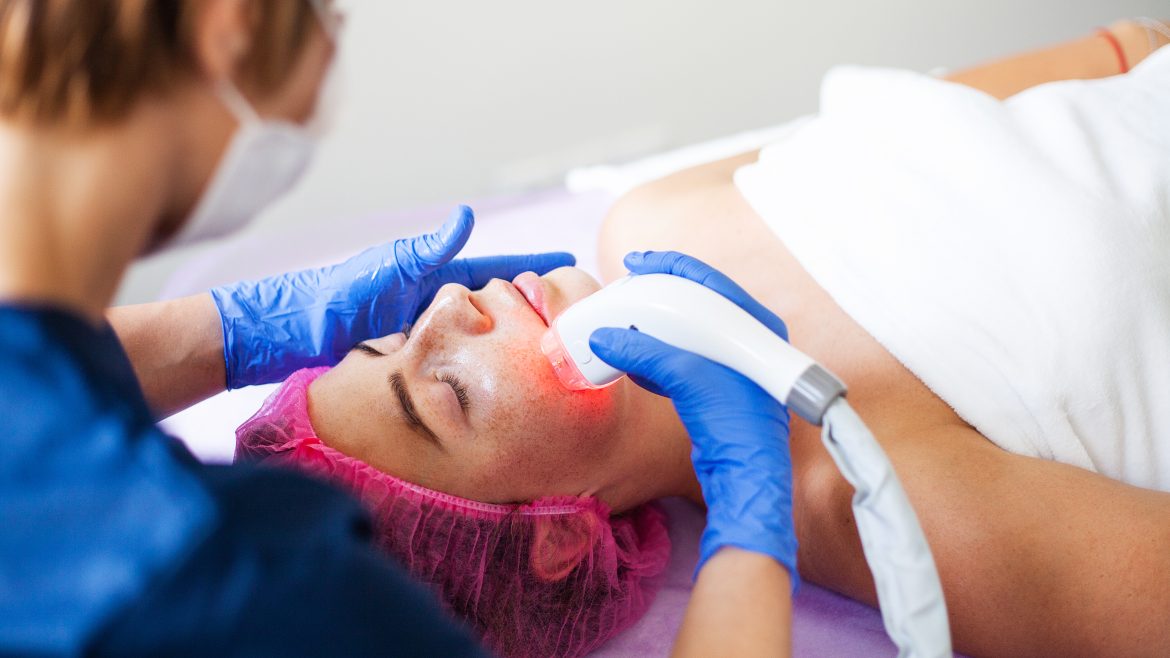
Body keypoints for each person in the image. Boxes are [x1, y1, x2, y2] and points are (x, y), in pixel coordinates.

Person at [0, 1, 572, 654]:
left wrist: (235, 331)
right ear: (231, 25)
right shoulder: (243, 585)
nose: (448, 304)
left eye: (381, 340)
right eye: (328, 16)